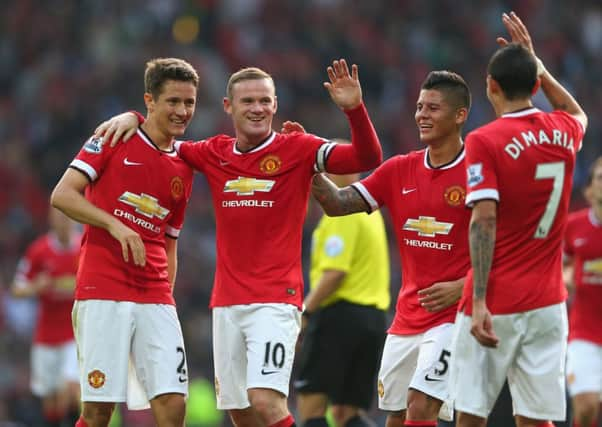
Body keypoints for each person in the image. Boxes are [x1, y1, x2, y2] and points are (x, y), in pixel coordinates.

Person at [94, 59, 382, 427]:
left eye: (265, 100)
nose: (257, 108)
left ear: (275, 105)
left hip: (275, 301)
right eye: (247, 101)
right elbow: (163, 142)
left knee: (266, 401)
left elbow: (367, 157)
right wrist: (134, 116)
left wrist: (354, 109)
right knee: (240, 411)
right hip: (226, 303)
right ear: (229, 107)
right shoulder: (213, 152)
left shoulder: (298, 149)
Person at [310, 69, 472, 427]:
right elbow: (337, 203)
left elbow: (506, 245)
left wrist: (465, 287)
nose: (422, 115)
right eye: (419, 107)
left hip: (456, 315)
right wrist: (308, 167)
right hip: (406, 316)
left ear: (460, 115)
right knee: (396, 416)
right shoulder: (399, 169)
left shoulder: (478, 172)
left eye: (433, 108)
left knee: (420, 407)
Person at [449, 12, 588, 427]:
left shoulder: (484, 140)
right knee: (537, 417)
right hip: (548, 304)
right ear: (534, 86)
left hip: (497, 300)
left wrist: (477, 301)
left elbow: (484, 220)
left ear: (491, 87)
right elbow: (578, 112)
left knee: (471, 412)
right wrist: (540, 68)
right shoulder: (563, 131)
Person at [50, 57, 199, 427]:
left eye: (190, 103)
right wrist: (114, 225)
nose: (183, 111)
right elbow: (63, 195)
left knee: (173, 402)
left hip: (155, 294)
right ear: (149, 101)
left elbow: (170, 242)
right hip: (103, 288)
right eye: (173, 102)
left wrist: (168, 296)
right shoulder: (114, 137)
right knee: (100, 409)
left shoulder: (184, 165)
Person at [294, 167, 390, 427]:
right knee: (347, 414)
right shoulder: (371, 214)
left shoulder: (339, 212)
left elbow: (335, 273)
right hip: (373, 319)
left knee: (310, 405)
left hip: (339, 316)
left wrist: (306, 311)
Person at [11, 207, 81, 427]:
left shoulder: (84, 248)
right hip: (46, 336)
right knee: (51, 401)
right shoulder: (39, 251)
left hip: (75, 333)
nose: (63, 220)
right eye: (58, 215)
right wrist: (35, 286)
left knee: (70, 390)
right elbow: (17, 289)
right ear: (51, 218)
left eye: (67, 215)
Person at [564, 157, 602, 427]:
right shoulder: (573, 226)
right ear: (589, 190)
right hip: (584, 331)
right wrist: (566, 277)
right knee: (586, 406)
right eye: (601, 177)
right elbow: (561, 264)